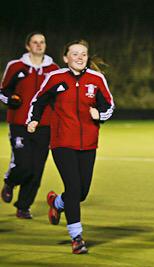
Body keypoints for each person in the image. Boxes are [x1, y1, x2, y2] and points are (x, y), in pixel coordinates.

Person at [31, 40, 115, 254]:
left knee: (81, 193)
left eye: (83, 54)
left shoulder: (96, 79)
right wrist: (33, 120)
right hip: (62, 142)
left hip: (88, 143)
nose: (79, 57)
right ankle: (76, 237)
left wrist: (100, 115)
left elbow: (109, 105)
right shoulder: (55, 78)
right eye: (75, 54)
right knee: (74, 187)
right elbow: (38, 101)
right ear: (65, 58)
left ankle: (58, 203)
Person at [0, 32, 59, 219]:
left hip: (44, 125)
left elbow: (59, 97)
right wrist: (10, 99)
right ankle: (10, 181)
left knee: (36, 168)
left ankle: (23, 206)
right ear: (28, 46)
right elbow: (3, 91)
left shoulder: (54, 69)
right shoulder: (16, 66)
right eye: (35, 42)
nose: (39, 45)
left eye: (42, 42)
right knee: (24, 164)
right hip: (20, 123)